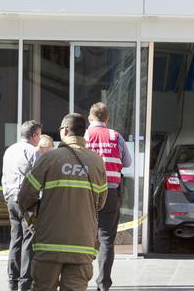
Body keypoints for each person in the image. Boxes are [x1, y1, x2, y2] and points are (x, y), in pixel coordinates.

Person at [19, 113, 108, 291]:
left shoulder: (49, 158)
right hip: (82, 245)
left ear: (65, 130)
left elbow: (25, 197)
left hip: (49, 244)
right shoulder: (97, 162)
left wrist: (36, 217)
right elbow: (100, 203)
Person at [84, 102, 132, 291]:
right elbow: (127, 162)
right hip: (110, 192)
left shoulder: (85, 136)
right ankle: (103, 284)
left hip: (86, 193)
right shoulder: (115, 136)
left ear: (90, 117)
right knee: (106, 240)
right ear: (107, 118)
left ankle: (79, 278)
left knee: (82, 237)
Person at [2, 120, 42, 291]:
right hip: (27, 201)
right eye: (39, 135)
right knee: (29, 238)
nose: (39, 139)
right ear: (34, 136)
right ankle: (25, 282)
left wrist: (7, 197)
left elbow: (4, 176)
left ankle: (12, 280)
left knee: (15, 238)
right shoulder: (33, 151)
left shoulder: (9, 150)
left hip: (11, 198)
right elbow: (40, 178)